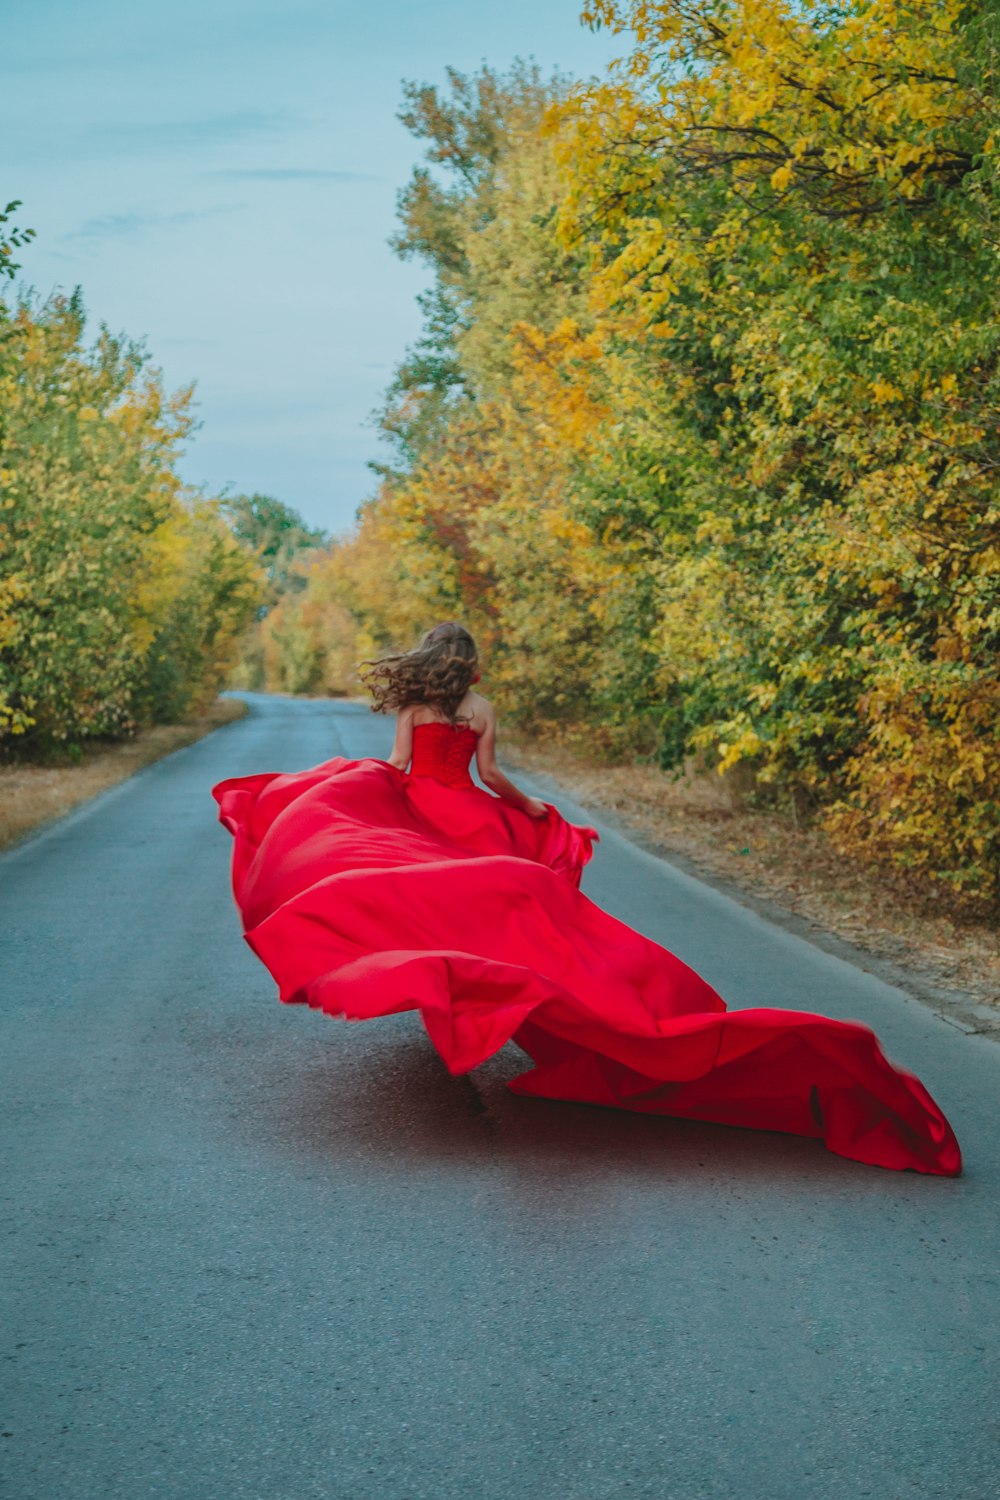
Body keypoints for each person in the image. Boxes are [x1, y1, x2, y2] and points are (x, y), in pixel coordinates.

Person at [212, 621, 961, 1177]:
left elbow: (401, 768)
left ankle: (463, 983)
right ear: (466, 666)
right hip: (474, 812)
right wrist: (534, 810)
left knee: (423, 894)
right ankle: (513, 990)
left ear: (426, 664)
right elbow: (495, 778)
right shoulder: (480, 708)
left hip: (428, 807)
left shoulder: (413, 711)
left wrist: (376, 799)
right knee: (506, 905)